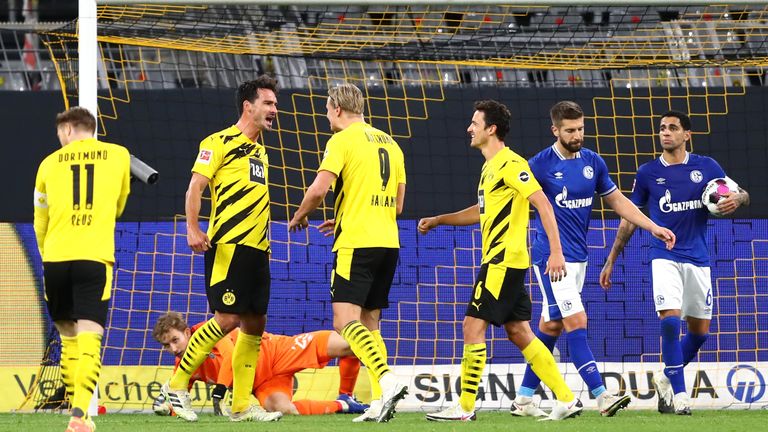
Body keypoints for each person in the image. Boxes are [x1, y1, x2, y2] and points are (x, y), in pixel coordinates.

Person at [509, 101, 676, 418]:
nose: (577, 135)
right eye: (570, 130)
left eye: (581, 129)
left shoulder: (593, 163)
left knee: (552, 325)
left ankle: (524, 398)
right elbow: (513, 201)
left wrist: (653, 226)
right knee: (577, 322)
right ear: (555, 130)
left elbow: (617, 201)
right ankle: (601, 395)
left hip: (579, 258)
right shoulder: (539, 165)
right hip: (551, 259)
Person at [418, 100, 581, 422]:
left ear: (491, 129)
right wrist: (441, 219)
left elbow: (543, 204)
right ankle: (566, 399)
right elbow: (482, 212)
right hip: (506, 262)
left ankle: (464, 407)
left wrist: (556, 252)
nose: (469, 128)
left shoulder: (510, 163)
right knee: (519, 331)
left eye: (475, 123)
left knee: (471, 327)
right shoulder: (490, 167)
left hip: (502, 262)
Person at [600, 110, 749, 415]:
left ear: (686, 135)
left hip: (698, 258)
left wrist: (738, 200)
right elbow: (630, 218)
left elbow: (742, 193)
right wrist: (611, 258)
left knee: (700, 332)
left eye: (672, 128)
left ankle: (667, 376)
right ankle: (681, 396)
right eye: (662, 128)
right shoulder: (647, 173)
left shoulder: (707, 167)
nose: (665, 133)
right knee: (669, 321)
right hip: (664, 255)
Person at [162, 76, 280, 422]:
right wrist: (193, 227)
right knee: (227, 318)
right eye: (268, 103)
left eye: (274, 103)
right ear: (249, 106)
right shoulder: (219, 141)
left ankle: (241, 404)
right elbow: (195, 186)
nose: (275, 109)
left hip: (258, 248)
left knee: (254, 324)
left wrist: (266, 245)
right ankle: (177, 384)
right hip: (228, 245)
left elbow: (258, 202)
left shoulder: (261, 152)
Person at [288, 83, 408, 423]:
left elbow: (319, 188)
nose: (326, 116)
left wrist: (301, 214)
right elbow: (398, 205)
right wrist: (343, 213)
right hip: (388, 242)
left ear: (336, 109)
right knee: (370, 324)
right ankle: (383, 398)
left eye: (327, 109)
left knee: (345, 322)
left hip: (356, 242)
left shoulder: (340, 141)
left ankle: (387, 379)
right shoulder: (391, 143)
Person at [33, 107, 131, 432]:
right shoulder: (118, 155)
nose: (60, 138)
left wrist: (49, 255)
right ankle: (79, 415)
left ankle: (75, 413)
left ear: (71, 128)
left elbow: (40, 221)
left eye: (61, 132)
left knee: (67, 337)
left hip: (56, 259)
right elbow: (119, 205)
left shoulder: (47, 163)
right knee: (90, 335)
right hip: (94, 257)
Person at [151, 312, 369, 417]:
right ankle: (343, 405)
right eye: (166, 345)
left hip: (278, 351)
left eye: (175, 340)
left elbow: (230, 356)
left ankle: (346, 393)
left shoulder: (209, 332)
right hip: (262, 382)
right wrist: (166, 409)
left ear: (188, 332)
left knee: (349, 344)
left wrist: (220, 389)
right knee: (285, 410)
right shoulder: (184, 366)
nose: (173, 348)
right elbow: (180, 402)